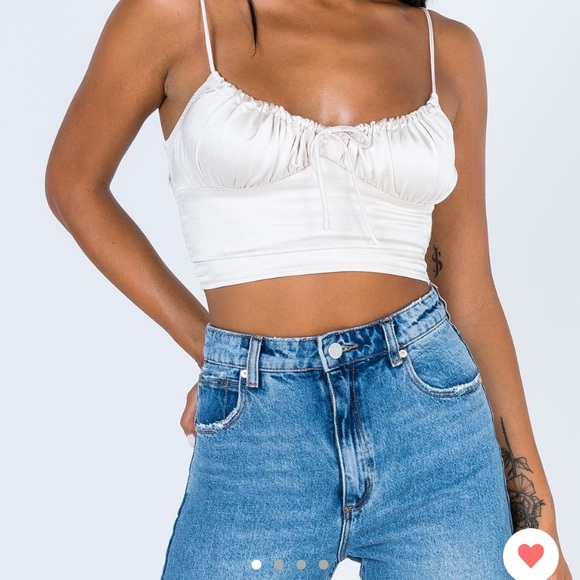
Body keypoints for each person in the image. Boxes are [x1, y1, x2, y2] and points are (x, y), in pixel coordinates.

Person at [45, 0, 572, 578]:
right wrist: (216, 354)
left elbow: (469, 291)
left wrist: (538, 522)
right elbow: (74, 186)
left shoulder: (444, 46)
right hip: (261, 438)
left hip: (433, 425)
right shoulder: (176, 15)